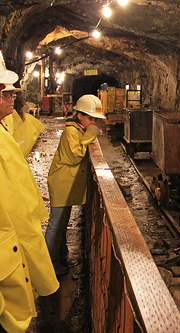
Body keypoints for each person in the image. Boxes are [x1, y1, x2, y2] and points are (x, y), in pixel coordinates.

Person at [0, 52, 59, 332]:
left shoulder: (3, 132)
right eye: (5, 95)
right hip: (8, 252)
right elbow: (11, 208)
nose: (12, 99)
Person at [45, 94, 105, 275]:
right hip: (62, 183)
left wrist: (87, 134)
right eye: (90, 118)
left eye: (94, 119)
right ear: (79, 116)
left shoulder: (77, 130)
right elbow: (75, 156)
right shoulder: (71, 131)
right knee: (56, 226)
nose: (92, 122)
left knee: (62, 224)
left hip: (67, 183)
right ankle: (47, 266)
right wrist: (90, 136)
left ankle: (62, 256)